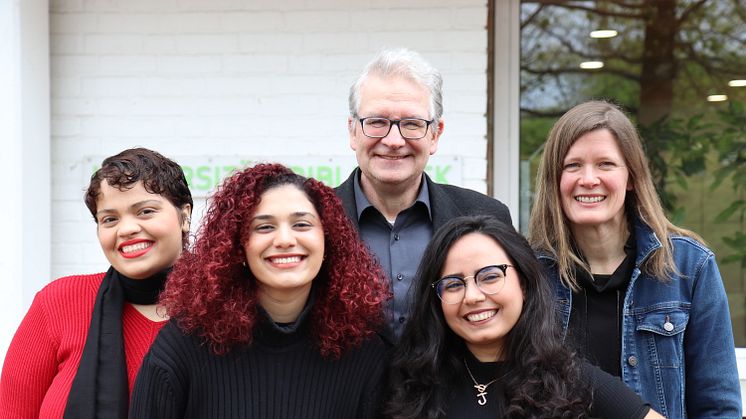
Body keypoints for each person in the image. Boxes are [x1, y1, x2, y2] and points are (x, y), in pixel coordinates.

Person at [528, 100, 741, 417]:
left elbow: (718, 406)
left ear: (631, 177)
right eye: (573, 166)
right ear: (554, 180)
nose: (588, 179)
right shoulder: (528, 272)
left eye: (605, 164)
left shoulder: (688, 267)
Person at [130, 163, 390, 418]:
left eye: (301, 224)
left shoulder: (364, 351)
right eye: (264, 227)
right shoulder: (184, 345)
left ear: (328, 240)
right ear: (238, 247)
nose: (285, 240)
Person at [387, 215, 663, 418]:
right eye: (454, 284)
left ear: (523, 283)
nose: (472, 296)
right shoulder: (415, 384)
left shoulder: (572, 379)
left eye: (490, 276)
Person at [0, 148, 192, 419]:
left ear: (184, 216)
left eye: (145, 211)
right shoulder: (58, 302)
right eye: (110, 219)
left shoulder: (231, 312)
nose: (126, 229)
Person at [336, 48, 512, 343]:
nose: (393, 141)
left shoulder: (486, 216)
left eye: (412, 124)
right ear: (353, 131)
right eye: (377, 122)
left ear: (435, 134)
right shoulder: (313, 220)